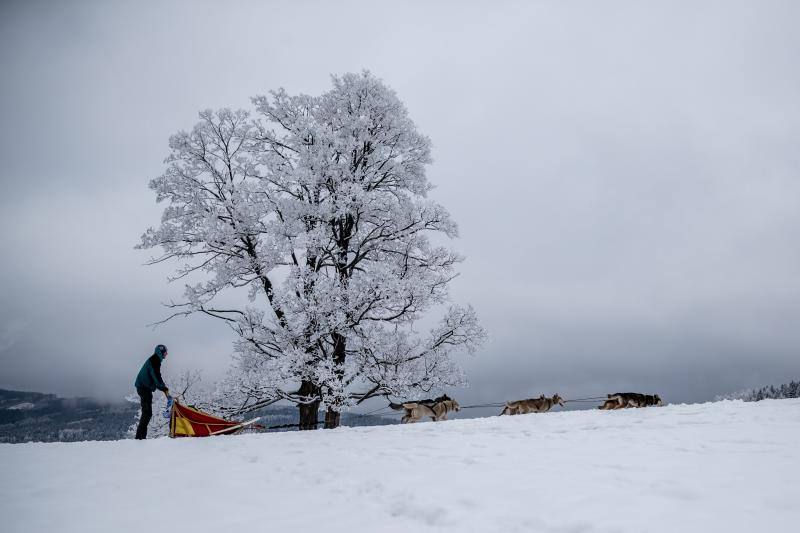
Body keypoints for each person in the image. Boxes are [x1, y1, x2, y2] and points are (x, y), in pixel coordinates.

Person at [134, 344, 171, 439]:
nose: (166, 354)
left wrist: (163, 388)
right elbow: (156, 377)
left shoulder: (155, 360)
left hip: (145, 387)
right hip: (143, 387)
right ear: (161, 352)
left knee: (147, 413)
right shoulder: (154, 361)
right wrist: (164, 388)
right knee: (147, 412)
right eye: (165, 352)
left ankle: (141, 437)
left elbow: (157, 377)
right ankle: (139, 438)